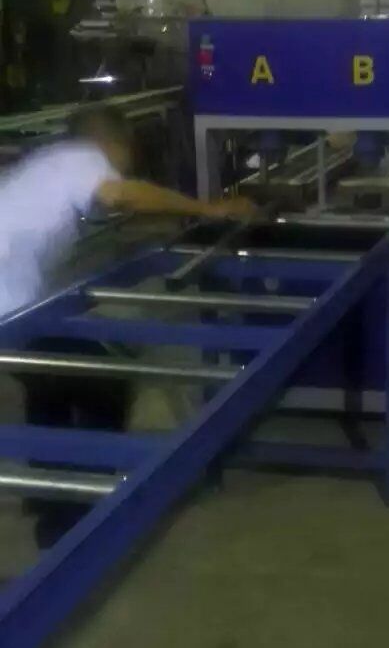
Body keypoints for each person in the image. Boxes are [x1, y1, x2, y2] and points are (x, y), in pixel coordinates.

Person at [0, 103, 257, 547]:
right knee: (99, 378)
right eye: (129, 151)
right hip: (11, 306)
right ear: (113, 143)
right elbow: (121, 196)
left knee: (48, 380)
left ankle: (48, 498)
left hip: (19, 305)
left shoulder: (48, 162)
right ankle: (80, 518)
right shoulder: (85, 159)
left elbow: (103, 211)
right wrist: (209, 209)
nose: (129, 162)